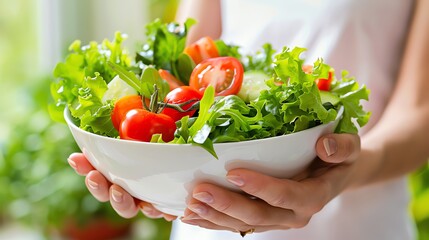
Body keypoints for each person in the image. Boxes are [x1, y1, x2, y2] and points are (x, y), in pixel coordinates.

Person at [67, 0, 429, 239]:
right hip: (205, 211)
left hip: (357, 223)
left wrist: (348, 168)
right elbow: (190, 58)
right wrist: (147, 170)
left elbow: (419, 111)